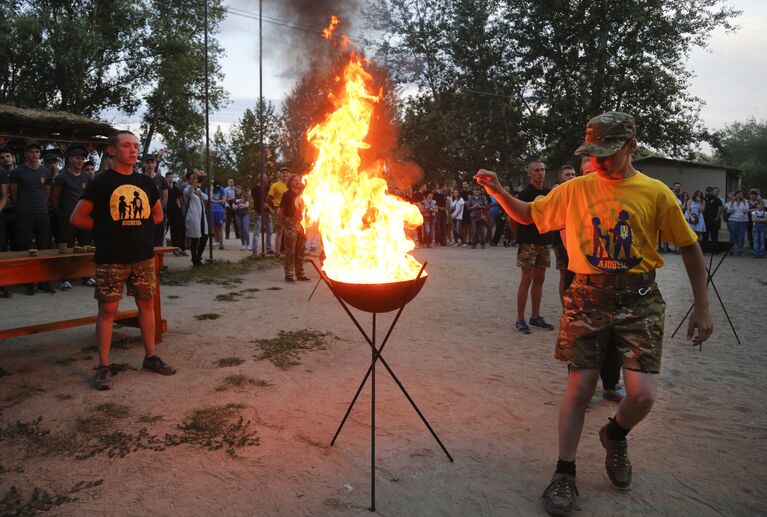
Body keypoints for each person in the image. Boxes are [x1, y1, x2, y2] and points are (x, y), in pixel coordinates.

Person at [475, 112, 713, 517]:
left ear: (631, 148)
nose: (599, 161)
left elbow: (690, 247)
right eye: (593, 153)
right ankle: (564, 473)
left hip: (639, 298)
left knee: (642, 394)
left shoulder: (655, 193)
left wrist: (702, 307)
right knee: (579, 388)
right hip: (588, 297)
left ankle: (615, 435)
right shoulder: (575, 190)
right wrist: (498, 191)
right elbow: (529, 214)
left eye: (608, 153)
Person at [69, 130, 176, 390]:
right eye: (127, 146)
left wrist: (138, 227)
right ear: (113, 151)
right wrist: (107, 229)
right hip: (111, 258)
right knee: (107, 311)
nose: (133, 150)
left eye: (136, 146)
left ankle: (150, 357)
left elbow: (158, 215)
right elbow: (78, 218)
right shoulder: (101, 182)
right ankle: (104, 366)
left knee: (147, 306)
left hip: (142, 256)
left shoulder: (146, 183)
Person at [513, 161, 555, 334]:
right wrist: (520, 237)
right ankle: (520, 319)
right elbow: (513, 217)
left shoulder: (549, 193)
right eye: (537, 170)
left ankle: (535, 316)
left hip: (543, 241)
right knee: (526, 279)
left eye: (543, 170)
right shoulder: (524, 194)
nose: (541, 173)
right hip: (528, 241)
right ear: (529, 173)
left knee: (540, 280)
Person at [10, 142, 56, 295]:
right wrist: (23, 207)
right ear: (26, 154)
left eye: (37, 152)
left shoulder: (45, 172)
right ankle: (29, 282)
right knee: (26, 247)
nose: (35, 154)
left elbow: (47, 193)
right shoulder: (17, 172)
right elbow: (14, 194)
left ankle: (44, 281)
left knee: (44, 246)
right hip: (24, 214)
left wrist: (40, 206)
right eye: (31, 152)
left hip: (42, 213)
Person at [52, 147, 95, 290]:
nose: (80, 161)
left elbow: (90, 198)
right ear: (70, 159)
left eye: (82, 158)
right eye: (77, 158)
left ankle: (86, 276)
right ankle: (65, 278)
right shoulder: (62, 176)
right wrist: (62, 214)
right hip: (67, 218)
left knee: (85, 246)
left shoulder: (87, 177)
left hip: (84, 218)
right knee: (66, 247)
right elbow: (55, 198)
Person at [552, 165, 577, 301]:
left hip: (577, 239)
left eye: (573, 174)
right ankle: (565, 309)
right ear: (561, 177)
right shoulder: (557, 193)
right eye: (567, 175)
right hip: (561, 240)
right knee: (565, 274)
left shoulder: (579, 191)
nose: (571, 177)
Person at [279, 174, 309, 282]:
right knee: (290, 250)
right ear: (290, 182)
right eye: (295, 180)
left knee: (300, 250)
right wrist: (283, 222)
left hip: (301, 223)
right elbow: (281, 210)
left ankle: (300, 273)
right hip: (290, 221)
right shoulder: (287, 194)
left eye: (298, 180)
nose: (297, 182)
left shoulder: (303, 195)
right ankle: (289, 274)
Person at [141, 154, 169, 247]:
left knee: (158, 239)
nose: (150, 165)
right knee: (144, 238)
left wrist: (159, 209)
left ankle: (157, 260)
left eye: (152, 162)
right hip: (143, 214)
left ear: (155, 164)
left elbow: (165, 197)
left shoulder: (162, 179)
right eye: (148, 163)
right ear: (144, 164)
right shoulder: (139, 179)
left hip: (158, 213)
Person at [184, 170, 209, 267]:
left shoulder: (197, 190)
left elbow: (206, 197)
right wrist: (194, 180)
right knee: (195, 240)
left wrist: (197, 188)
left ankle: (198, 257)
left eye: (195, 179)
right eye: (192, 179)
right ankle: (195, 260)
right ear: (189, 180)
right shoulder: (187, 190)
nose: (195, 180)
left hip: (201, 217)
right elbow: (189, 191)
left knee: (204, 237)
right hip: (193, 217)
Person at [268, 168, 290, 256]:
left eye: (287, 173)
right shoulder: (275, 185)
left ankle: (288, 251)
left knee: (290, 232)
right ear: (280, 175)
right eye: (283, 173)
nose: (285, 174)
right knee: (279, 232)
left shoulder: (291, 185)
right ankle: (277, 253)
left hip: (290, 211)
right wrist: (274, 209)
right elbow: (269, 199)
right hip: (279, 210)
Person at [250, 173, 273, 254]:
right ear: (260, 179)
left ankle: (268, 248)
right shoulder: (255, 189)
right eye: (265, 178)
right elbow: (258, 201)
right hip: (259, 212)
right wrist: (266, 205)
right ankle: (254, 249)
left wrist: (269, 206)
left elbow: (270, 198)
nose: (267, 179)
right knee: (257, 230)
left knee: (269, 230)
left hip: (267, 212)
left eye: (266, 177)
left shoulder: (267, 188)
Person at [166, 172, 187, 256]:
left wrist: (182, 208)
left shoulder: (175, 188)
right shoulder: (165, 188)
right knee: (174, 231)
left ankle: (182, 248)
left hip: (178, 212)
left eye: (172, 177)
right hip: (169, 212)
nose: (171, 179)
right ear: (166, 178)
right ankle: (175, 249)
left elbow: (181, 198)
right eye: (169, 177)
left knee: (181, 230)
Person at [725, 190, 749, 255]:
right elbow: (729, 211)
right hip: (733, 220)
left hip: (743, 221)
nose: (739, 196)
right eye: (738, 194)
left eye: (741, 194)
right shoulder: (731, 202)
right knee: (732, 235)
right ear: (735, 195)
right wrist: (732, 203)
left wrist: (743, 203)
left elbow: (746, 210)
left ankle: (740, 250)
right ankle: (731, 250)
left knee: (741, 236)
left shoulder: (746, 202)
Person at [207, 181, 226, 249]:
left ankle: (221, 244)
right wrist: (211, 190)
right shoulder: (209, 189)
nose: (217, 189)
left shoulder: (221, 189)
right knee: (212, 227)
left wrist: (215, 201)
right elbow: (208, 199)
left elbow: (224, 200)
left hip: (219, 210)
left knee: (219, 228)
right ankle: (212, 244)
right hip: (211, 210)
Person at [232, 186, 250, 250]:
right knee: (241, 231)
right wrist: (239, 206)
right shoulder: (234, 198)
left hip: (245, 214)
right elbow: (233, 207)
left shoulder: (245, 196)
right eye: (236, 191)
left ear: (241, 190)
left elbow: (247, 205)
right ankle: (243, 244)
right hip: (238, 215)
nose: (237, 192)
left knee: (246, 229)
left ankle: (248, 244)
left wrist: (240, 206)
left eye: (238, 190)